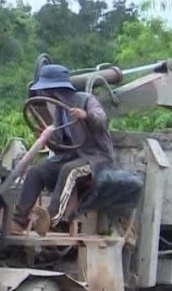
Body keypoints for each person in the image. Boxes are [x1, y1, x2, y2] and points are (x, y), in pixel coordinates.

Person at [11, 63, 116, 233]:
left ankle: (52, 219)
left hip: (96, 158)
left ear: (56, 89)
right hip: (72, 155)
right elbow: (62, 146)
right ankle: (19, 220)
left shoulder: (86, 100)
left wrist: (85, 116)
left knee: (69, 170)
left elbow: (101, 120)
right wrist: (46, 138)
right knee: (36, 171)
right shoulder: (59, 110)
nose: (44, 93)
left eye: (47, 90)